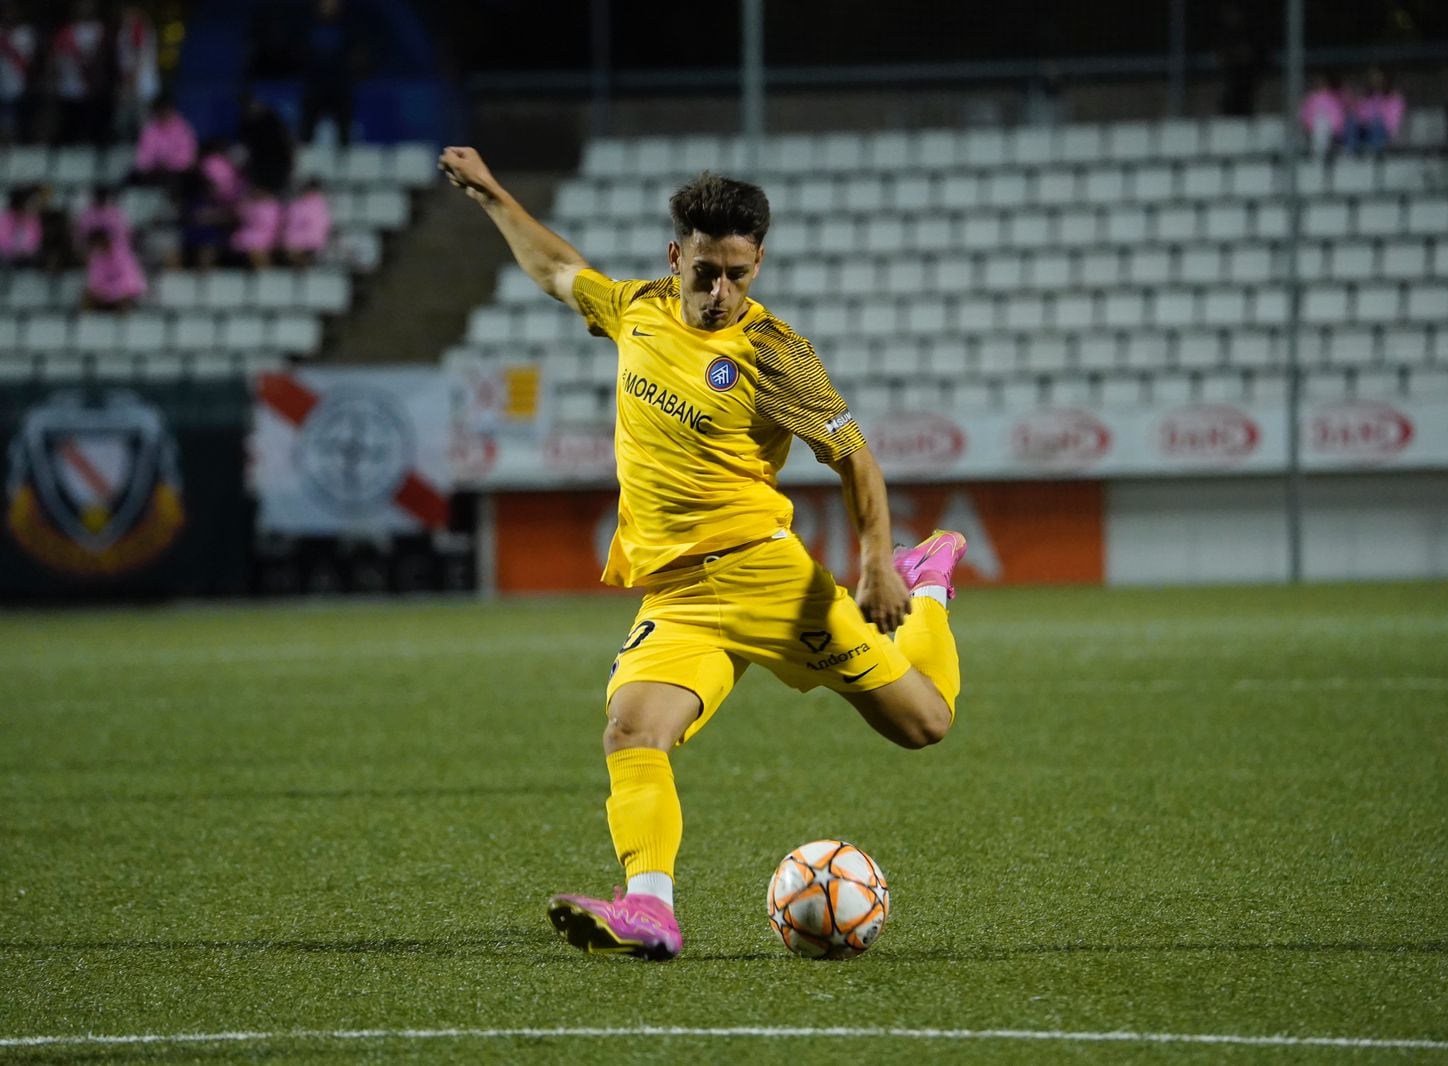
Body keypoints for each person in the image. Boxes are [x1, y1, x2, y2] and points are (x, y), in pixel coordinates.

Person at [439, 145, 966, 962]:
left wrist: (875, 562)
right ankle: (650, 912)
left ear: (756, 264)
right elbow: (555, 270)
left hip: (768, 579)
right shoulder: (635, 310)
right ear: (674, 255)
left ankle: (926, 581)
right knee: (630, 729)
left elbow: (854, 456)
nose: (722, 293)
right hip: (679, 597)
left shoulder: (774, 353)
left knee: (924, 724)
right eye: (707, 272)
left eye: (739, 275)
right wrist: (492, 194)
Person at [49, 0, 111, 145]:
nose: (85, 9)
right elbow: (55, 56)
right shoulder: (67, 31)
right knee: (71, 119)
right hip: (71, 84)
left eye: (88, 6)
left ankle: (90, 142)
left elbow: (105, 56)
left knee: (91, 118)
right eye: (82, 6)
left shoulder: (99, 29)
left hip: (92, 84)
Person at [300, 0, 354, 145]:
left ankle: (345, 163)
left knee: (344, 131)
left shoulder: (349, 27)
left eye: (332, 3)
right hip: (314, 86)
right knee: (306, 131)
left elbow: (356, 55)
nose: (328, 6)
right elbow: (301, 54)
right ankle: (305, 163)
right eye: (325, 3)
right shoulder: (307, 26)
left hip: (340, 86)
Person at [112, 2, 159, 141]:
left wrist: (133, 78)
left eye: (128, 13)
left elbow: (138, 55)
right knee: (132, 113)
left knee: (141, 114)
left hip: (138, 79)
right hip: (133, 78)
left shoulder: (138, 29)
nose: (125, 16)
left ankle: (146, 143)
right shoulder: (129, 29)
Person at [239, 95, 296, 195]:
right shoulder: (247, 123)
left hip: (278, 160)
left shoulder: (271, 118)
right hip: (262, 163)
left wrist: (290, 157)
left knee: (278, 189)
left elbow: (285, 139)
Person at [132, 95, 196, 181]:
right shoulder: (149, 130)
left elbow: (187, 159)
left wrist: (168, 163)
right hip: (154, 174)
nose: (163, 114)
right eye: (159, 111)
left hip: (177, 175)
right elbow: (142, 159)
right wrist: (153, 166)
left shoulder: (183, 129)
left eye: (166, 110)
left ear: (172, 110)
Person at [81, 226, 146, 310]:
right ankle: (88, 322)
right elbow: (95, 281)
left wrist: (114, 293)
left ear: (105, 240)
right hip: (107, 294)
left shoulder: (123, 252)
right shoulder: (96, 256)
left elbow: (131, 280)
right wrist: (103, 292)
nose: (98, 246)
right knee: (87, 297)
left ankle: (125, 322)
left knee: (124, 301)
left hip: (126, 292)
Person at [0, 0, 37, 144]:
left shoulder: (24, 33)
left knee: (12, 125)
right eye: (5, 11)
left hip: (16, 85)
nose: (8, 15)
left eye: (11, 11)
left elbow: (26, 60)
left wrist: (7, 43)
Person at [1344, 67, 1405, 153]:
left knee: (1376, 121)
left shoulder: (1394, 97)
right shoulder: (1366, 97)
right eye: (1373, 79)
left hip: (1383, 132)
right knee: (1351, 119)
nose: (1375, 81)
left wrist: (1373, 121)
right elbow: (1360, 115)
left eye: (1378, 78)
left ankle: (1376, 153)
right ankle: (1351, 152)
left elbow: (1393, 122)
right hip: (1366, 130)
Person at [281, 178, 331, 267]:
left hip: (308, 244)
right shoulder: (296, 204)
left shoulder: (318, 205)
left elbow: (318, 229)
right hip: (299, 243)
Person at [74, 183, 131, 259]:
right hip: (93, 252)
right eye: (98, 196)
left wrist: (107, 242)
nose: (100, 199)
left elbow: (122, 235)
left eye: (102, 196)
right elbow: (82, 236)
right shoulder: (87, 214)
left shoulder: (115, 213)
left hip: (115, 252)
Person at [231, 185, 281, 270]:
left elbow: (275, 225)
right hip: (250, 236)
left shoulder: (272, 205)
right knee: (253, 249)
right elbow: (241, 217)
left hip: (268, 236)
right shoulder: (248, 205)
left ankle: (266, 272)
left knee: (258, 250)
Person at [1299, 72, 1345, 156]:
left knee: (1323, 124)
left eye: (1322, 84)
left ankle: (1323, 151)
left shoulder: (1332, 98)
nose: (1320, 86)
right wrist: (1308, 124)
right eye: (1318, 83)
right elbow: (1304, 113)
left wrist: (1335, 127)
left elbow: (1337, 113)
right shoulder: (1310, 98)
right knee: (1319, 124)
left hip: (1329, 126)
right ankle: (1317, 152)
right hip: (1313, 125)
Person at [0, 186, 43, 266]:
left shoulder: (34, 220)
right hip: (7, 257)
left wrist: (26, 251)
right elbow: (2, 240)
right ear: (22, 203)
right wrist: (13, 251)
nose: (35, 206)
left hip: (27, 257)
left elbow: (36, 241)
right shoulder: (6, 218)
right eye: (31, 203)